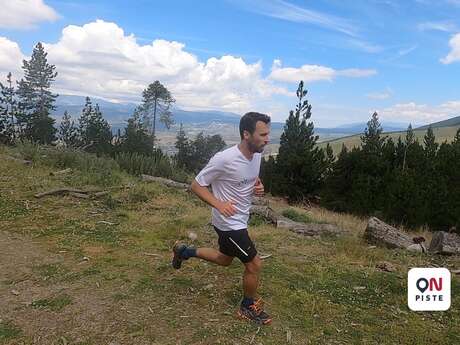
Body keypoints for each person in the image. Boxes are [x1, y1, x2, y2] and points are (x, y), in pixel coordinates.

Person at [171, 112, 272, 325]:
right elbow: (196, 185)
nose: (267, 138)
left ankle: (184, 251)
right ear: (246, 134)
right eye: (262, 134)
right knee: (254, 264)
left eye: (268, 134)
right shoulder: (224, 159)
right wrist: (219, 204)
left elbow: (249, 177)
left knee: (224, 259)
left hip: (240, 219)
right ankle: (246, 307)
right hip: (229, 224)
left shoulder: (257, 154)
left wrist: (258, 186)